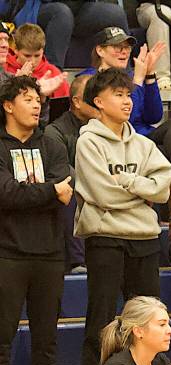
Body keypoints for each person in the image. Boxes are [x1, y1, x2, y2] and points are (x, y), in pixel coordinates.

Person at [75, 68, 171, 365]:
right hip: (104, 236)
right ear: (98, 102)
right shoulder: (88, 141)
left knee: (148, 317)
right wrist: (139, 190)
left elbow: (162, 186)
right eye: (118, 95)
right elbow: (101, 193)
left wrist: (130, 184)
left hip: (144, 237)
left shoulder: (144, 143)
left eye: (128, 95)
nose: (126, 101)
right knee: (101, 315)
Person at [0, 76, 72, 365]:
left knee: (47, 336)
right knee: (2, 333)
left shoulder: (52, 143)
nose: (36, 105)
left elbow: (66, 189)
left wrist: (31, 193)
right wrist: (48, 192)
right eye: (27, 98)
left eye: (38, 99)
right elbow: (6, 194)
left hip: (49, 252)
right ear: (8, 105)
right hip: (7, 252)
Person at [83, 27, 171, 162]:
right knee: (163, 152)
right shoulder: (89, 79)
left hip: (144, 136)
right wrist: (138, 80)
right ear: (100, 50)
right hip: (118, 139)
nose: (124, 52)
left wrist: (149, 76)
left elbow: (154, 116)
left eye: (127, 47)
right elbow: (125, 121)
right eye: (117, 47)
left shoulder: (132, 75)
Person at [44, 72, 95, 273]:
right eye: (92, 96)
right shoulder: (55, 132)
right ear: (77, 101)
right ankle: (77, 260)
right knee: (69, 177)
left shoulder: (111, 129)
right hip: (73, 194)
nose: (99, 102)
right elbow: (61, 173)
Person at [28, 0, 129, 71]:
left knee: (116, 14)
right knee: (62, 14)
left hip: (79, 9)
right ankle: (53, 73)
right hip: (40, 8)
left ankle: (127, 78)